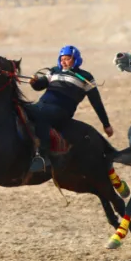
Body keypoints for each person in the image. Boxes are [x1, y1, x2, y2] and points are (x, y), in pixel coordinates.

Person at [28, 45, 114, 173]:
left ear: (76, 60)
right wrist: (34, 82)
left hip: (61, 110)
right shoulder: (54, 71)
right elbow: (40, 86)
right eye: (62, 59)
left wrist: (106, 124)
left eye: (67, 59)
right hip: (42, 105)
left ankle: (42, 157)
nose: (64, 61)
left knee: (42, 117)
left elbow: (96, 102)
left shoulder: (86, 77)